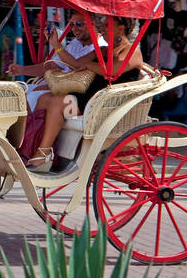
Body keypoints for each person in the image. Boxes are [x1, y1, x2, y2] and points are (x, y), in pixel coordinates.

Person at [24, 15, 143, 169]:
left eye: (107, 25)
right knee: (44, 98)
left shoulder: (133, 52)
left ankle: (44, 152)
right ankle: (35, 147)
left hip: (104, 106)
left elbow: (112, 71)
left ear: (121, 28)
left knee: (57, 102)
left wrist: (89, 65)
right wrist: (56, 44)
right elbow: (75, 64)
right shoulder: (103, 50)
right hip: (87, 98)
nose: (102, 29)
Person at [7, 15, 103, 111]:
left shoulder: (102, 48)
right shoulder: (76, 43)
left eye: (79, 24)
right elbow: (51, 66)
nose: (74, 29)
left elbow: (77, 66)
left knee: (29, 97)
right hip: (54, 86)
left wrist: (56, 45)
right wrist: (22, 70)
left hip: (74, 94)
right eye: (71, 25)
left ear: (92, 23)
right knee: (14, 91)